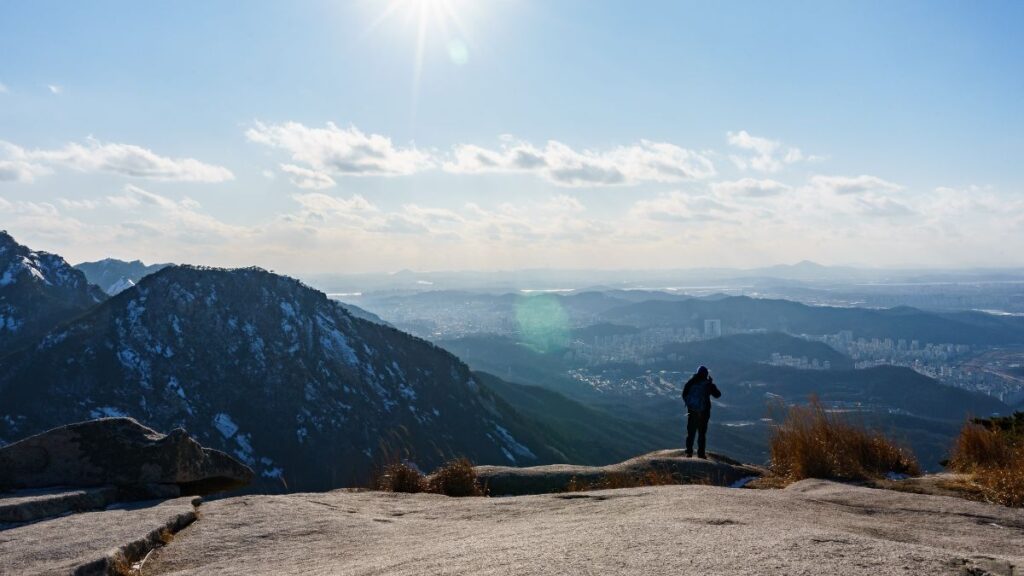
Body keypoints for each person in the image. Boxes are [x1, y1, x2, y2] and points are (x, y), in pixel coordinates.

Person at [681, 365, 721, 459]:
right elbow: (718, 395)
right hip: (704, 413)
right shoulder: (707, 384)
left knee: (691, 433)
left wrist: (691, 405)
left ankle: (689, 452)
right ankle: (701, 454)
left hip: (692, 412)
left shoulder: (691, 382)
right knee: (702, 434)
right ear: (706, 374)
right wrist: (711, 384)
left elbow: (684, 395)